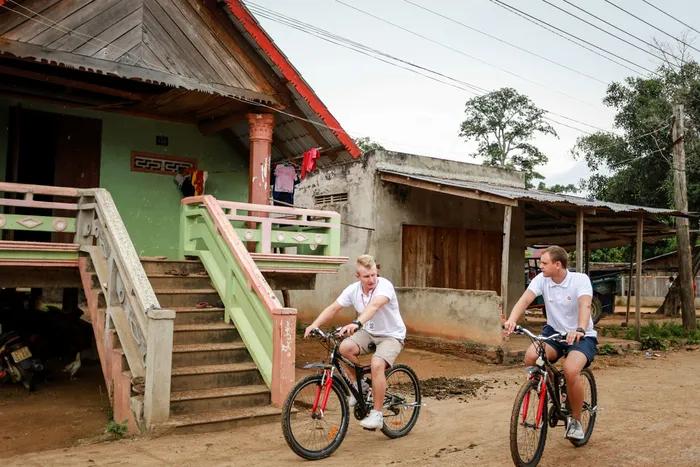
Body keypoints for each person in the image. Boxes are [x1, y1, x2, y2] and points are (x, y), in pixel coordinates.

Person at [503, 245, 597, 441]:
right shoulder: (542, 280)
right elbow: (524, 300)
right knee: (531, 357)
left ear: (558, 264)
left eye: (544, 263)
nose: (541, 267)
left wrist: (579, 329)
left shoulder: (580, 280)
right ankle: (556, 394)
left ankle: (576, 421)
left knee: (571, 371)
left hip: (581, 335)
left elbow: (585, 305)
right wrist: (512, 320)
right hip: (554, 333)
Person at [304, 254, 406, 430]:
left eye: (374, 274)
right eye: (366, 276)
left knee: (377, 364)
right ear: (357, 277)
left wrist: (357, 322)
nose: (371, 279)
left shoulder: (385, 286)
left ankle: (377, 414)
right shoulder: (353, 290)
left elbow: (374, 306)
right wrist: (314, 324)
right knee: (344, 348)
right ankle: (363, 386)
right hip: (369, 332)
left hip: (391, 335)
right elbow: (334, 308)